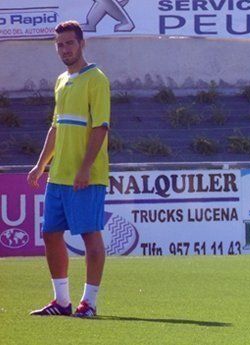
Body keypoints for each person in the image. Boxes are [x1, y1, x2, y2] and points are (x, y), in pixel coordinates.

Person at [27, 20, 111, 318]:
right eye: (60, 44)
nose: (64, 49)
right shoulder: (61, 80)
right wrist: (41, 165)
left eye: (70, 43)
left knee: (90, 235)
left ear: (82, 43)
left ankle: (89, 302)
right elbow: (56, 127)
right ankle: (61, 302)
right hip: (58, 174)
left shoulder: (96, 78)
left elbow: (101, 127)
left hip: (85, 175)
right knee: (50, 234)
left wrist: (85, 168)